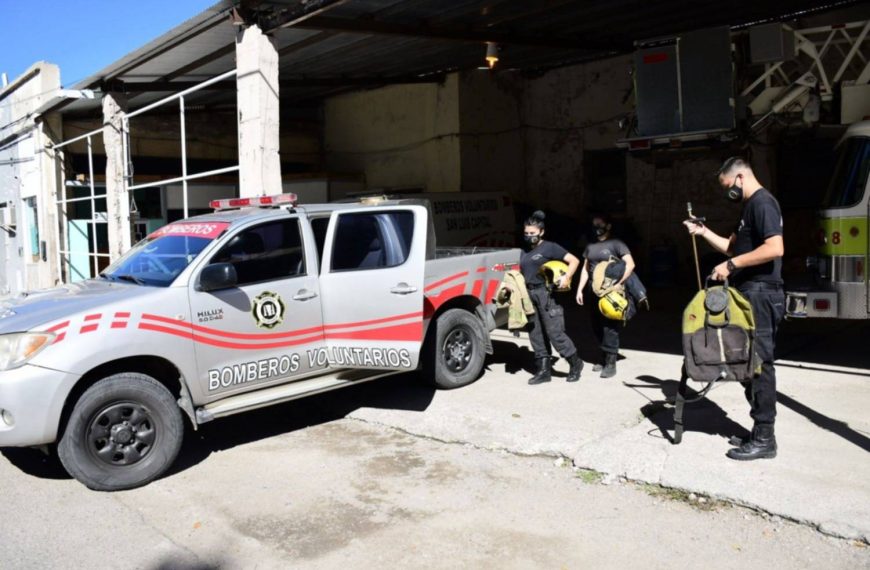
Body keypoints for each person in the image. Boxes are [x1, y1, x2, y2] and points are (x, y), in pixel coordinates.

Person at [683, 157, 785, 461]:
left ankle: (765, 438)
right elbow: (732, 248)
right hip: (749, 293)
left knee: (759, 365)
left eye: (727, 186)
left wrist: (731, 266)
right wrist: (703, 232)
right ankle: (760, 431)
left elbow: (775, 248)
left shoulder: (762, 203)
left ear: (740, 178)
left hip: (761, 293)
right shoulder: (748, 208)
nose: (727, 192)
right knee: (745, 363)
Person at [520, 210, 583, 385]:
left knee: (555, 333)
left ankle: (575, 363)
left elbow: (574, 261)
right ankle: (544, 371)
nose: (529, 236)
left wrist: (567, 277)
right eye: (526, 233)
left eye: (532, 233)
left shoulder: (550, 247)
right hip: (529, 294)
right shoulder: (523, 251)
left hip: (547, 294)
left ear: (541, 232)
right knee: (535, 334)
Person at [576, 214, 643, 379]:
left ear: (608, 226)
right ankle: (603, 356)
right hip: (594, 291)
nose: (596, 228)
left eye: (600, 224)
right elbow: (585, 269)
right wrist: (579, 290)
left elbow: (630, 264)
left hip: (610, 291)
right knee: (596, 325)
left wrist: (619, 283)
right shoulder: (590, 246)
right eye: (594, 224)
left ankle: (611, 362)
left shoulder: (616, 244)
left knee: (610, 327)